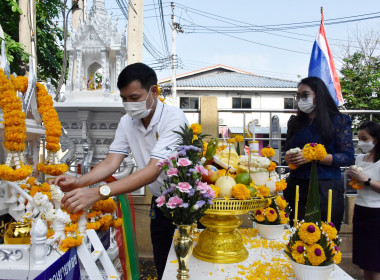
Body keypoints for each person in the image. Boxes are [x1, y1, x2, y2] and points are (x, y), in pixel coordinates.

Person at [52, 63, 188, 280]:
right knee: (163, 265)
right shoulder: (128, 122)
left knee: (188, 267)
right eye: (125, 99)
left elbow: (154, 170)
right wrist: (78, 182)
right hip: (161, 204)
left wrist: (97, 193)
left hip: (188, 205)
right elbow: (111, 162)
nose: (129, 104)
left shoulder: (173, 118)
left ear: (154, 91)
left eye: (135, 97)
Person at [283, 77, 354, 231]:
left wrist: (314, 156)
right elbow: (287, 148)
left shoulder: (339, 121)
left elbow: (347, 157)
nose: (301, 100)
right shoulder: (295, 122)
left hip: (325, 187)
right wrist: (288, 156)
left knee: (324, 239)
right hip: (296, 185)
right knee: (296, 236)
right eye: (298, 96)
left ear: (319, 95)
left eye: (305, 95)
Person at [347, 121, 380, 280]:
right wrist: (353, 177)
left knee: (374, 262)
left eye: (364, 138)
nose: (361, 142)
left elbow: (367, 181)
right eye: (359, 138)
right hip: (360, 210)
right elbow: (357, 183)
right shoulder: (360, 158)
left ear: (376, 139)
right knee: (364, 261)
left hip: (376, 214)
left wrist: (365, 180)